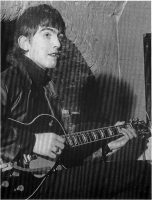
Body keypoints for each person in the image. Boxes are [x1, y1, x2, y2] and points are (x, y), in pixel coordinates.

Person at [2, 4, 150, 199]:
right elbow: (34, 145)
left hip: (44, 182)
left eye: (59, 36)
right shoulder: (9, 80)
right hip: (14, 186)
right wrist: (33, 141)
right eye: (48, 34)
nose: (57, 43)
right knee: (143, 174)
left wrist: (106, 147)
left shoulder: (48, 90)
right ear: (24, 43)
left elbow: (60, 156)